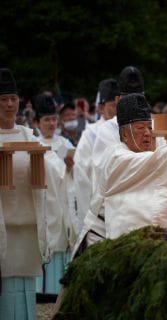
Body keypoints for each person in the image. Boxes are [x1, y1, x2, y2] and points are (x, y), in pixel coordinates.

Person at [73, 94, 167, 255]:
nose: (147, 133)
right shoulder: (116, 157)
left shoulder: (150, 156)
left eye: (149, 128)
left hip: (143, 243)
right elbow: (149, 162)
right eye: (140, 128)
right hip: (105, 240)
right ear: (124, 134)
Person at [0, 68, 62, 319]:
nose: (9, 104)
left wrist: (42, 160)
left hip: (26, 227)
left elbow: (56, 169)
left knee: (24, 290)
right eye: (3, 99)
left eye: (13, 99)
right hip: (2, 224)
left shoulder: (29, 136)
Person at [34, 94, 76, 295]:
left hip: (62, 204)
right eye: (46, 120)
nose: (51, 123)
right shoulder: (32, 145)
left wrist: (71, 169)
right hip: (43, 203)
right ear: (36, 123)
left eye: (53, 119)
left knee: (61, 241)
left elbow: (77, 176)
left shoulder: (65, 144)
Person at [73, 79, 119, 233]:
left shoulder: (126, 130)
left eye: (120, 105)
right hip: (98, 204)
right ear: (101, 108)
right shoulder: (91, 133)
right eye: (113, 105)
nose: (117, 110)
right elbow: (81, 172)